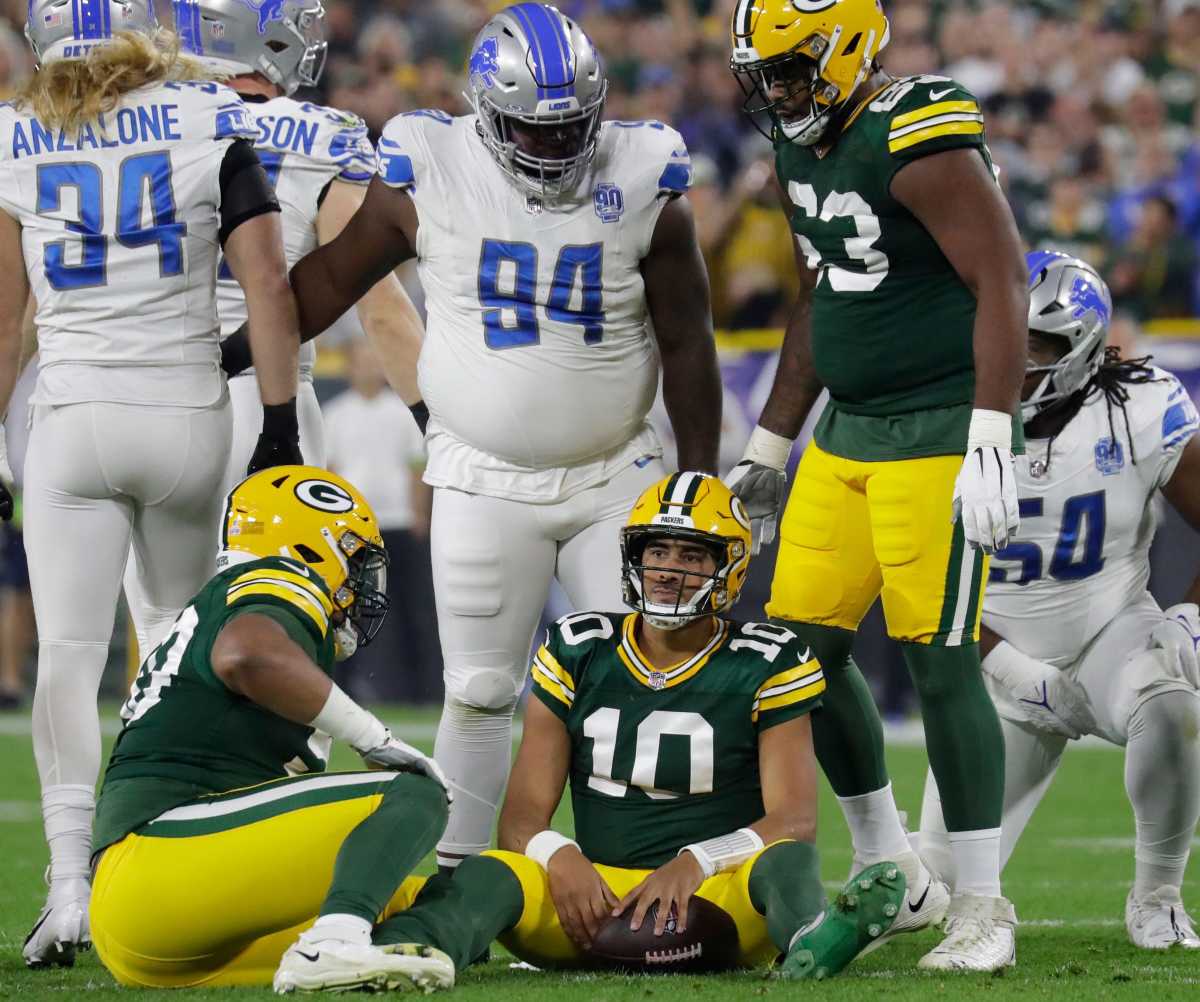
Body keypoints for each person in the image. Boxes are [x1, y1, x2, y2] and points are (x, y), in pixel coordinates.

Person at [220, 2, 723, 868]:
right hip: (479, 476)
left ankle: (628, 878)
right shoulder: (432, 166)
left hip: (615, 475)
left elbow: (687, 340)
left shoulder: (645, 178)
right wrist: (218, 356)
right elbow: (327, 285)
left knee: (629, 688)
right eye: (536, 129)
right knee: (483, 690)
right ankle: (458, 881)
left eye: (571, 130)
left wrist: (700, 481)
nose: (556, 149)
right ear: (487, 110)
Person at [725, 0, 1028, 971]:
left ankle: (984, 906)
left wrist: (991, 430)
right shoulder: (798, 150)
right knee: (795, 654)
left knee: (938, 657)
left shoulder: (919, 130)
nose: (777, 91)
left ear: (848, 49)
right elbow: (825, 296)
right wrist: (772, 442)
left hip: (938, 430)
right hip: (848, 434)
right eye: (763, 73)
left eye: (791, 68)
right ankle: (896, 867)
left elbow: (1004, 280)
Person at [1, 7, 303, 968]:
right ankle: (173, 865)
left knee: (69, 653)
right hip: (186, 414)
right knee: (177, 648)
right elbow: (268, 287)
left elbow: (6, 320)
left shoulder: (17, 133)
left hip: (74, 415)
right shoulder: (209, 114)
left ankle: (67, 893)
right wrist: (284, 421)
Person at [371, 472, 906, 980]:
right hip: (593, 901)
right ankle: (415, 947)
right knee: (490, 870)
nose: (670, 570)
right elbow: (520, 822)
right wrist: (561, 856)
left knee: (786, 862)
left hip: (711, 901)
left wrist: (696, 861)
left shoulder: (766, 659)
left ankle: (812, 939)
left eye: (693, 555)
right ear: (634, 556)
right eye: (657, 551)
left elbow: (793, 821)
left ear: (731, 566)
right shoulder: (580, 648)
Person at [119, 0, 429, 666]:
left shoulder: (141, 120)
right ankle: (279, 766)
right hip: (270, 394)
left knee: (162, 636)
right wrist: (439, 425)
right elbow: (380, 306)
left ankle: (163, 764)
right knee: (283, 623)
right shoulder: (325, 133)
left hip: (148, 387)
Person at [918, 251, 1200, 950]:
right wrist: (1011, 669)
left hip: (1111, 631)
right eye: (1000, 333)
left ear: (1082, 351)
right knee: (934, 886)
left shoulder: (1137, 405)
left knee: (1175, 703)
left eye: (1034, 343)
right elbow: (911, 573)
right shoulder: (938, 410)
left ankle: (1159, 895)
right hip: (990, 663)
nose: (1011, 356)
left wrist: (1190, 618)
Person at [89, 465, 455, 993]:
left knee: (444, 891)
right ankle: (332, 947)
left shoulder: (240, 605)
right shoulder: (279, 579)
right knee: (413, 791)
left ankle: (366, 944)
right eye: (354, 559)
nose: (359, 583)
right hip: (158, 862)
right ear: (311, 547)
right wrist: (374, 738)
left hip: (169, 915)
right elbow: (247, 654)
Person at [325, 337, 439, 703]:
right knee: (357, 612)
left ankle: (425, 692)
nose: (369, 368)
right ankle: (357, 688)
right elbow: (331, 473)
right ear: (350, 367)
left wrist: (420, 513)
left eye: (375, 361)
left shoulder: (401, 412)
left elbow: (417, 467)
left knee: (416, 610)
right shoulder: (335, 415)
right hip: (356, 531)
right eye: (361, 361)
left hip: (402, 523)